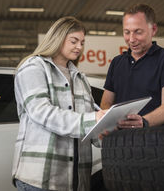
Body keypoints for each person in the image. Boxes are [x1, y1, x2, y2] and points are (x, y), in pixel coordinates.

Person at [12, 16, 107, 191]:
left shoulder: (80, 78)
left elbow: (89, 127)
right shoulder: (34, 67)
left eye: (82, 42)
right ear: (58, 38)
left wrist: (106, 128)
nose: (79, 47)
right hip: (40, 180)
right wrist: (92, 119)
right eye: (74, 41)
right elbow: (41, 112)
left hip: (76, 181)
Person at [100, 4, 164, 129]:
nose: (131, 39)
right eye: (126, 32)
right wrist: (108, 121)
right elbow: (106, 102)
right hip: (121, 142)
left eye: (138, 32)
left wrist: (144, 122)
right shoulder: (117, 63)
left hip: (157, 142)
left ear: (154, 29)